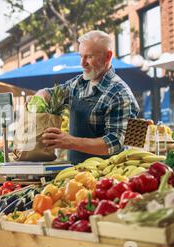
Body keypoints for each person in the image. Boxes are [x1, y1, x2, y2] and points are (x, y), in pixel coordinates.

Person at [36, 30, 140, 164]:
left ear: (108, 56)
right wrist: (40, 97)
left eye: (89, 57)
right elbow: (51, 93)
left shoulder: (120, 94)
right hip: (75, 171)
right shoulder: (79, 83)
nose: (82, 63)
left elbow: (115, 142)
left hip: (107, 175)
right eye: (81, 56)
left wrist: (70, 142)